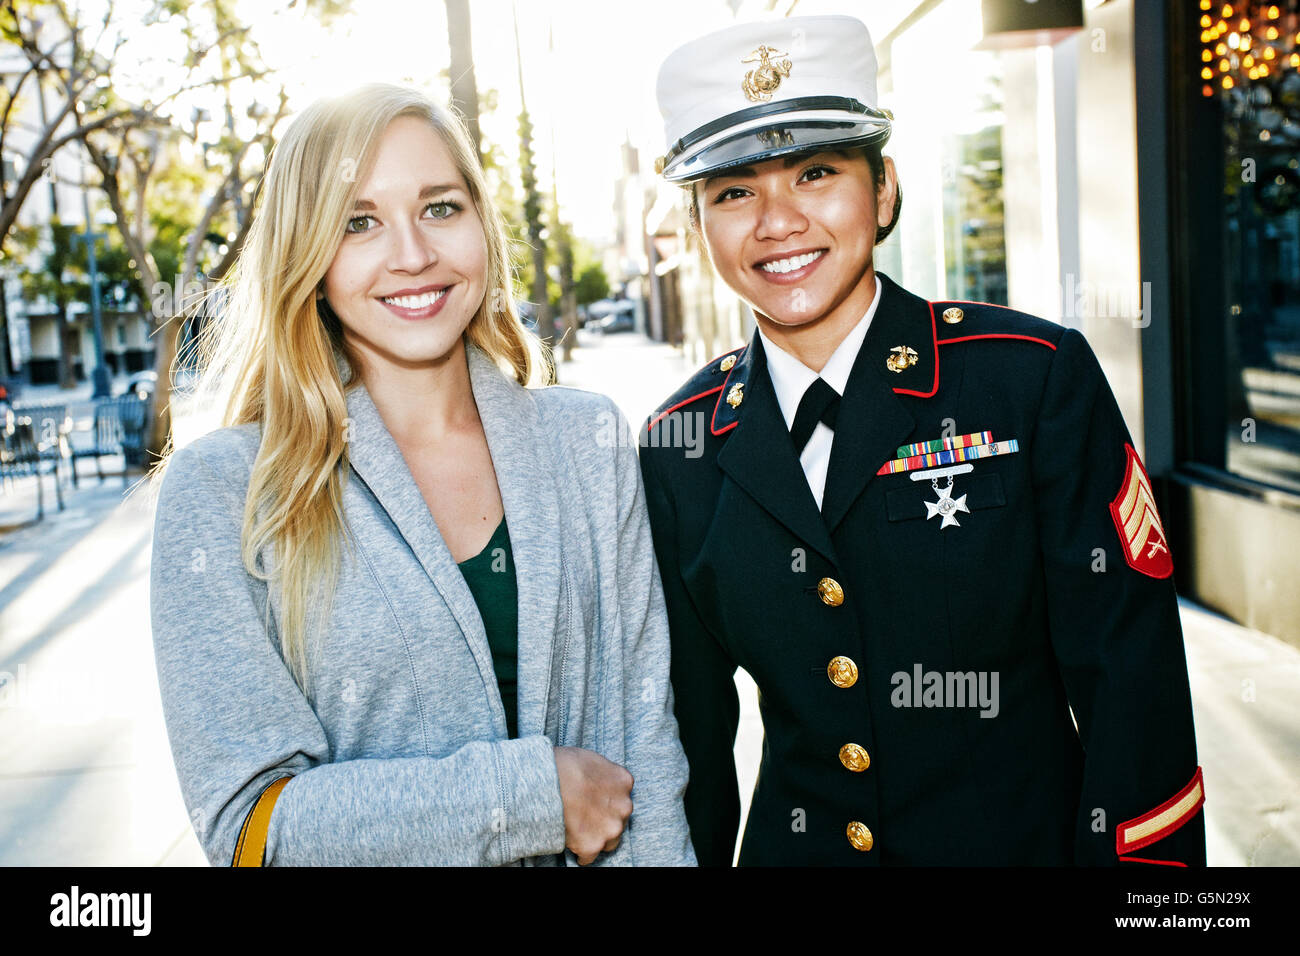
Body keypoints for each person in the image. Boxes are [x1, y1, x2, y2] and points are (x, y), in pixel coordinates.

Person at [640, 15, 1205, 866]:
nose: (777, 220)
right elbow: (688, 744)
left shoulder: (1030, 380)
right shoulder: (678, 445)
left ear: (885, 190)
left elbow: (1136, 693)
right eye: (733, 191)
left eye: (816, 172)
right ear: (700, 226)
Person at [148, 83, 694, 866]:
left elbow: (649, 744)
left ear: (481, 224)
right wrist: (527, 798)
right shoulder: (224, 492)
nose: (413, 254)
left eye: (440, 207)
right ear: (309, 255)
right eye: (358, 222)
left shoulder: (587, 439)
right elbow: (251, 832)